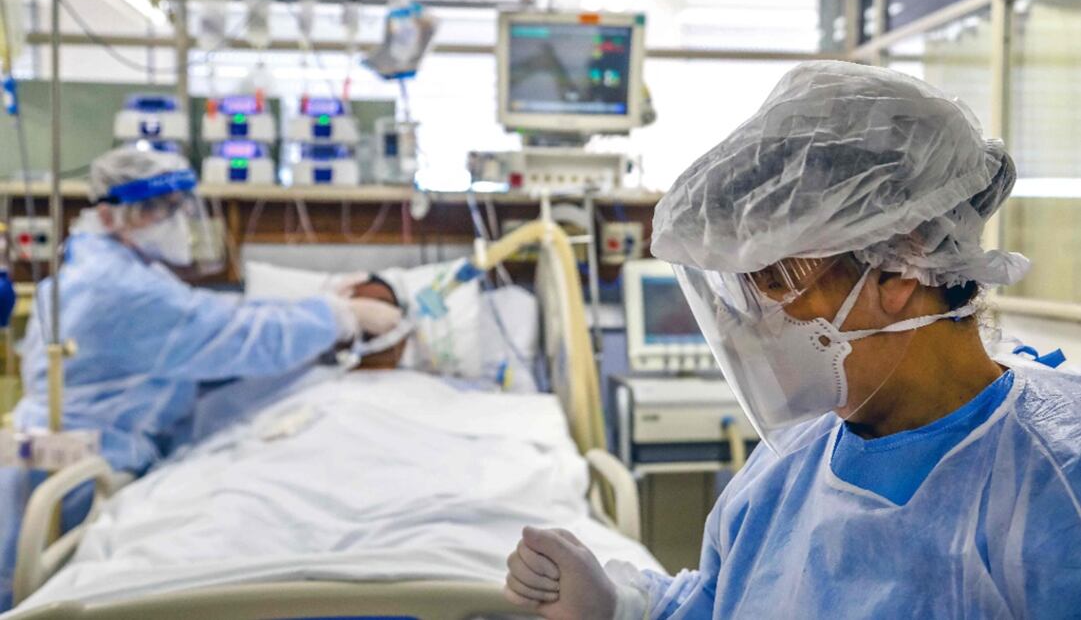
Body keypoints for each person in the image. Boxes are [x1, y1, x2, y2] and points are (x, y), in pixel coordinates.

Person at [504, 61, 1081, 618]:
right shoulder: (790, 465)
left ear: (899, 268)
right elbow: (724, 601)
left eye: (776, 283)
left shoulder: (1053, 488)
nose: (742, 323)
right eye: (739, 291)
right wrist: (625, 608)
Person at [0, 146, 401, 610]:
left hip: (61, 454)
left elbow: (211, 319)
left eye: (182, 207)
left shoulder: (111, 269)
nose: (181, 221)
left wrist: (315, 307)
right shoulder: (122, 290)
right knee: (27, 598)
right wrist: (338, 317)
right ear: (114, 215)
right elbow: (231, 335)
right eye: (164, 209)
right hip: (75, 473)